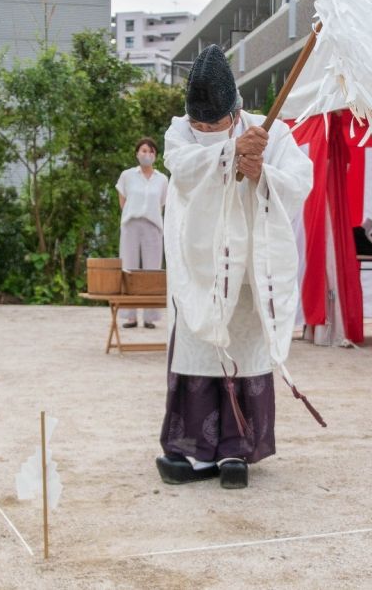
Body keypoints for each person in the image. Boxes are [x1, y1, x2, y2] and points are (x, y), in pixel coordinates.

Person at [155, 45, 314, 489]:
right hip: (199, 264)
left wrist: (261, 170)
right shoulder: (178, 134)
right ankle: (193, 452)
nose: (204, 129)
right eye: (199, 123)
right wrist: (227, 154)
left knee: (243, 354)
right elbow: (184, 171)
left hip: (247, 270)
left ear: (237, 108)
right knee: (199, 349)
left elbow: (300, 182)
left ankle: (235, 453)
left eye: (215, 123)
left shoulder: (272, 133)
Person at [115, 137, 168, 329]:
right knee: (128, 267)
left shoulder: (162, 179)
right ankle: (129, 315)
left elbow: (161, 202)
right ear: (137, 153)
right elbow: (123, 199)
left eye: (151, 151)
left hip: (153, 225)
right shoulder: (127, 175)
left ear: (155, 155)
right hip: (131, 224)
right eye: (144, 151)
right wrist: (131, 213)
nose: (147, 154)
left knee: (151, 270)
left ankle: (149, 316)